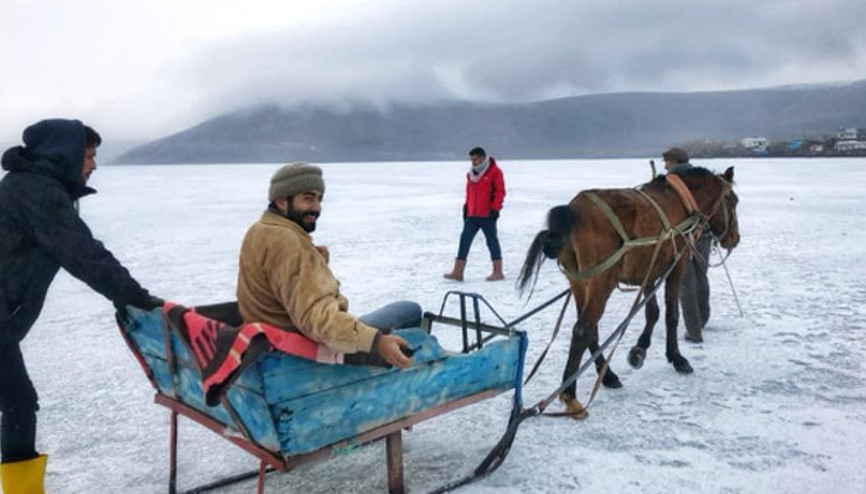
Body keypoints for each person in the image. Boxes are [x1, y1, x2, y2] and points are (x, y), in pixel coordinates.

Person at [0, 119, 162, 493]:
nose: (93, 165)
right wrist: (135, 297)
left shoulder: (35, 187)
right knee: (19, 402)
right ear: (64, 154)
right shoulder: (35, 192)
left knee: (18, 401)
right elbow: (83, 255)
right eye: (88, 155)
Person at [236, 163, 419, 369]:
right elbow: (319, 320)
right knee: (409, 310)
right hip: (303, 349)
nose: (317, 207)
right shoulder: (289, 242)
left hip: (274, 338)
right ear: (281, 200)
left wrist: (316, 264)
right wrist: (377, 342)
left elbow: (283, 280)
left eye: (319, 199)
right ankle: (407, 371)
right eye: (307, 198)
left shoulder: (259, 230)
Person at [662, 147, 712, 342]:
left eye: (666, 161)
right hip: (704, 234)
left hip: (681, 237)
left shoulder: (669, 182)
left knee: (685, 282)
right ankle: (704, 317)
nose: (665, 165)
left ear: (673, 162)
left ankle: (694, 332)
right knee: (701, 275)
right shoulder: (701, 178)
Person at [443, 147, 506, 282]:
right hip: (472, 215)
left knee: (492, 241)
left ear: (482, 157)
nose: (473, 162)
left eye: (475, 159)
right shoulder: (471, 174)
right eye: (471, 159)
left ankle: (498, 271)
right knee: (464, 241)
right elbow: (469, 193)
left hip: (487, 214)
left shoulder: (495, 172)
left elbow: (500, 192)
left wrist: (495, 209)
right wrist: (466, 208)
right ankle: (458, 272)